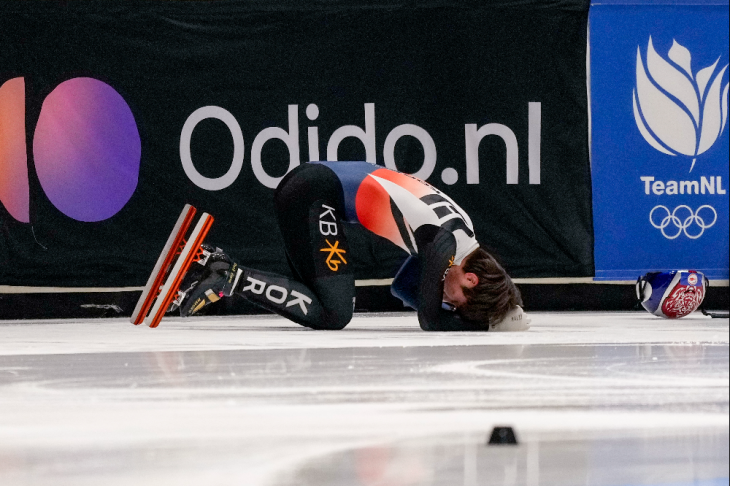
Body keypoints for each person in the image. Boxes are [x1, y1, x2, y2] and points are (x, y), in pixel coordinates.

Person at [173, 161, 527, 331]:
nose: (449, 302)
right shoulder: (443, 242)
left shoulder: (460, 235)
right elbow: (431, 319)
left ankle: (215, 266)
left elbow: (404, 287)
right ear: (470, 279)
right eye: (458, 302)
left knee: (318, 300)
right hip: (315, 193)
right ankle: (225, 274)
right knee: (334, 313)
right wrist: (484, 326)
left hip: (315, 186)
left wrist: (501, 306)